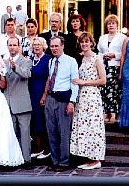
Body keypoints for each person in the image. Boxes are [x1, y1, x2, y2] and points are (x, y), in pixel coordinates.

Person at [40, 36, 79, 172]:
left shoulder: (71, 61)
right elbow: (50, 79)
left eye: (57, 46)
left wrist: (72, 102)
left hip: (63, 99)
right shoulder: (51, 61)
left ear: (62, 46)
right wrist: (45, 95)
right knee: (51, 131)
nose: (54, 49)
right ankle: (55, 160)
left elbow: (75, 83)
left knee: (63, 132)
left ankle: (64, 162)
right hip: (51, 98)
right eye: (52, 46)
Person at [70, 32, 106, 170]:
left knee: (93, 127)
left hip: (92, 96)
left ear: (92, 43)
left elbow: (103, 80)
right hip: (81, 97)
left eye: (87, 41)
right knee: (84, 127)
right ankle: (88, 157)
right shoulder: (81, 59)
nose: (84, 44)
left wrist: (84, 82)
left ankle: (95, 159)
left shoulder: (97, 58)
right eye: (82, 42)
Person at [3, 37, 33, 167]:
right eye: (10, 45)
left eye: (15, 45)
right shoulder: (3, 62)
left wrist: (15, 67)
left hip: (22, 102)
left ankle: (26, 160)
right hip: (7, 102)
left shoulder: (26, 61)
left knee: (25, 133)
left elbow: (27, 74)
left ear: (19, 46)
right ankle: (13, 159)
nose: (12, 47)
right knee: (11, 133)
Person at [97, 14, 127, 124]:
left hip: (116, 67)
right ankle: (108, 113)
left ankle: (118, 113)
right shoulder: (102, 37)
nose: (111, 25)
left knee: (117, 91)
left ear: (117, 25)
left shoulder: (122, 37)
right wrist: (103, 56)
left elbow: (124, 53)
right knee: (106, 90)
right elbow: (99, 51)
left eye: (113, 23)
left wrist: (115, 55)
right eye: (109, 23)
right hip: (105, 67)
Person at [28, 37, 51, 160]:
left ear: (43, 46)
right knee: (35, 120)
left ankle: (47, 148)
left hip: (42, 92)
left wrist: (44, 94)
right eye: (34, 45)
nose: (36, 47)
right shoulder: (30, 60)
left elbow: (49, 77)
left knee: (43, 120)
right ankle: (38, 147)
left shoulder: (48, 59)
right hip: (32, 93)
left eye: (39, 44)